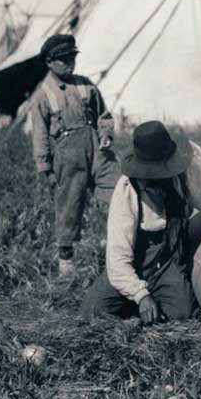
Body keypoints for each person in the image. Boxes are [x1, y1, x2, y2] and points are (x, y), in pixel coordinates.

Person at [82, 121, 201, 324]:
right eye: (153, 173)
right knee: (91, 313)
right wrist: (142, 296)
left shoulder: (185, 174)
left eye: (163, 170)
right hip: (134, 262)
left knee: (183, 314)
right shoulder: (127, 189)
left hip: (168, 261)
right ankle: (137, 304)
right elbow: (118, 258)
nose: (159, 177)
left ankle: (145, 307)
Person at [29, 34, 120, 277]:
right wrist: (45, 168)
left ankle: (116, 249)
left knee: (118, 193)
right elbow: (39, 134)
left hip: (98, 150)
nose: (70, 63)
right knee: (69, 206)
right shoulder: (43, 95)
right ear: (49, 62)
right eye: (63, 60)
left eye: (72, 58)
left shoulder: (86, 85)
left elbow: (104, 115)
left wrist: (106, 134)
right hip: (68, 155)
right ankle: (66, 263)